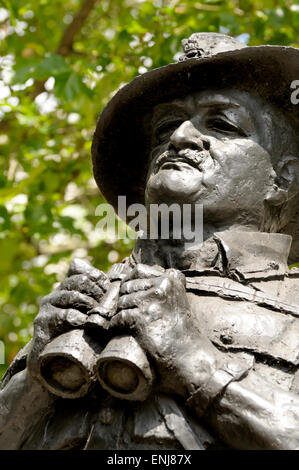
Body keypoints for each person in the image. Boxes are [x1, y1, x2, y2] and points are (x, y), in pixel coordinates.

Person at [0, 32, 298, 450]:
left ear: (283, 178)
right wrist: (33, 378)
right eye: (165, 128)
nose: (178, 138)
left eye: (222, 124)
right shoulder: (90, 299)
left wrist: (197, 365)